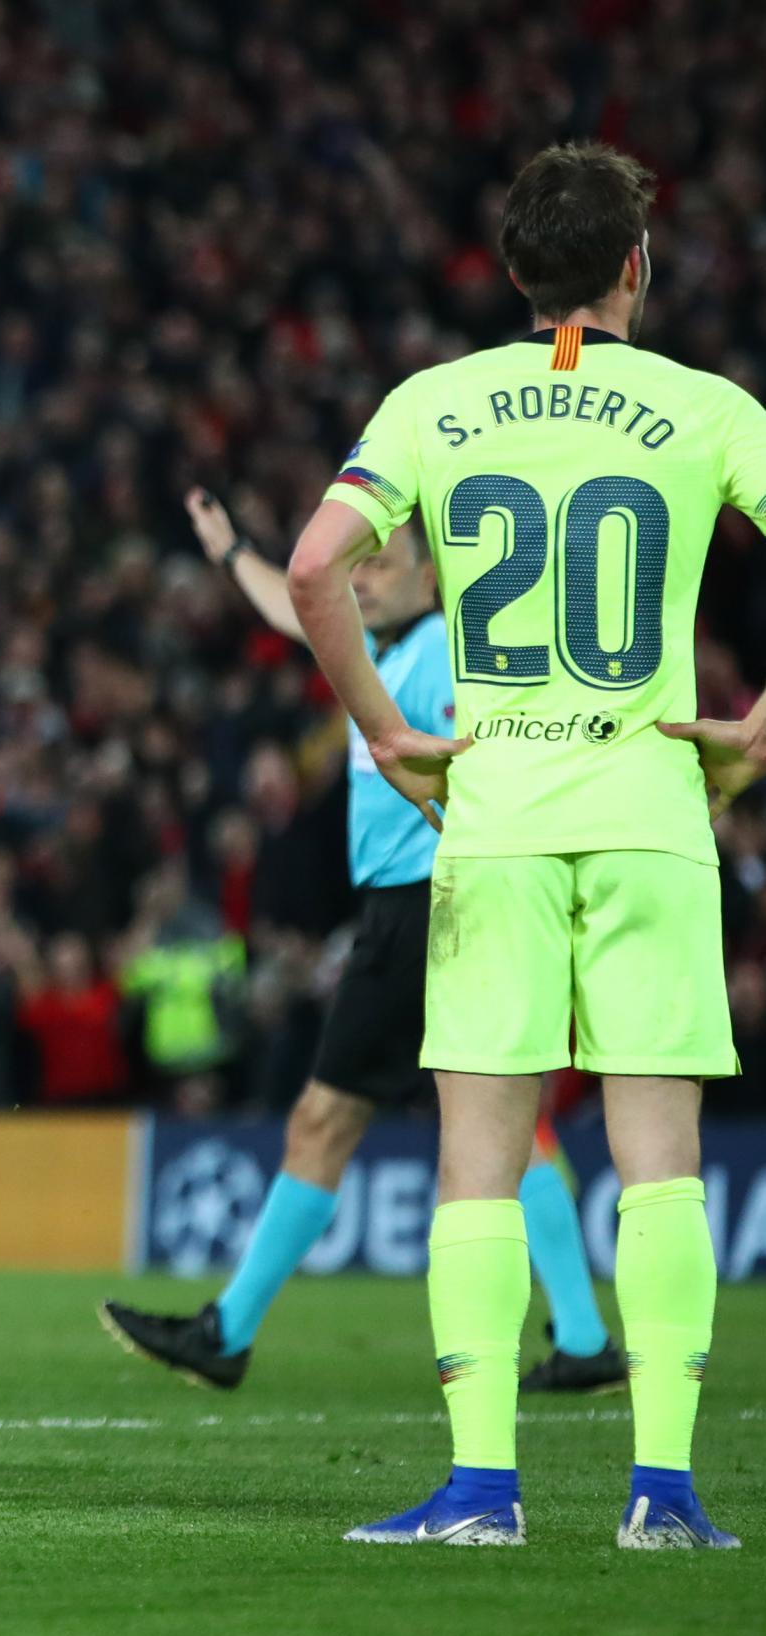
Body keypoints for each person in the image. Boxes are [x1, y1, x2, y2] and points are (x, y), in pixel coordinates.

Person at [289, 143, 759, 1549]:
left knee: (477, 1159)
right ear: (636, 266)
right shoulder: (704, 407)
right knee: (661, 1156)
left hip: (491, 817)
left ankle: (482, 1489)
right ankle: (662, 1493)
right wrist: (753, 726)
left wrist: (384, 729)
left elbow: (314, 565)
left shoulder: (433, 405)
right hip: (649, 811)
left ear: (510, 273)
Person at [100, 494, 620, 1392]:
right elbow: (287, 602)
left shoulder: (443, 651)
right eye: (360, 562)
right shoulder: (370, 650)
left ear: (432, 575)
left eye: (384, 561)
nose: (365, 573)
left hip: (425, 904)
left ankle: (228, 1332)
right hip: (428, 908)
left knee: (328, 1116)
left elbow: (482, 754)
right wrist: (231, 553)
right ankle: (579, 1337)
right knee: (506, 1122)